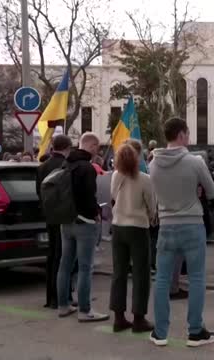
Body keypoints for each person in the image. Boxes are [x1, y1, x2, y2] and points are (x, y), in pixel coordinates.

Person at [148, 118, 214, 347]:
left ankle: (160, 332)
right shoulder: (194, 161)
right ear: (181, 135)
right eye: (187, 134)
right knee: (196, 277)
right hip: (192, 224)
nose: (188, 138)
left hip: (166, 225)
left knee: (162, 279)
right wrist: (195, 191)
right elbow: (212, 192)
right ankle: (195, 331)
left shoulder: (153, 164)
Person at [56, 132, 109, 322]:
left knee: (65, 264)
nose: (98, 151)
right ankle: (85, 310)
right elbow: (89, 197)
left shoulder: (66, 163)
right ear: (92, 146)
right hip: (84, 223)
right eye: (97, 147)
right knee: (86, 267)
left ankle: (63, 305)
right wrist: (96, 214)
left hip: (66, 220)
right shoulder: (87, 168)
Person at [109, 143, 156, 333]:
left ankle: (119, 317)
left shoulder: (115, 176)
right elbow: (151, 204)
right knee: (141, 273)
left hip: (118, 225)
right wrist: (152, 217)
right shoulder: (144, 179)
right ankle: (139, 318)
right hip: (138, 227)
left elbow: (113, 196)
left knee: (119, 272)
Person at [36, 135, 73, 309]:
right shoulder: (65, 166)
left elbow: (39, 191)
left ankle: (49, 297)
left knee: (51, 256)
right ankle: (60, 297)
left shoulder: (42, 166)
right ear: (67, 148)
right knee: (62, 257)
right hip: (64, 217)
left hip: (48, 216)